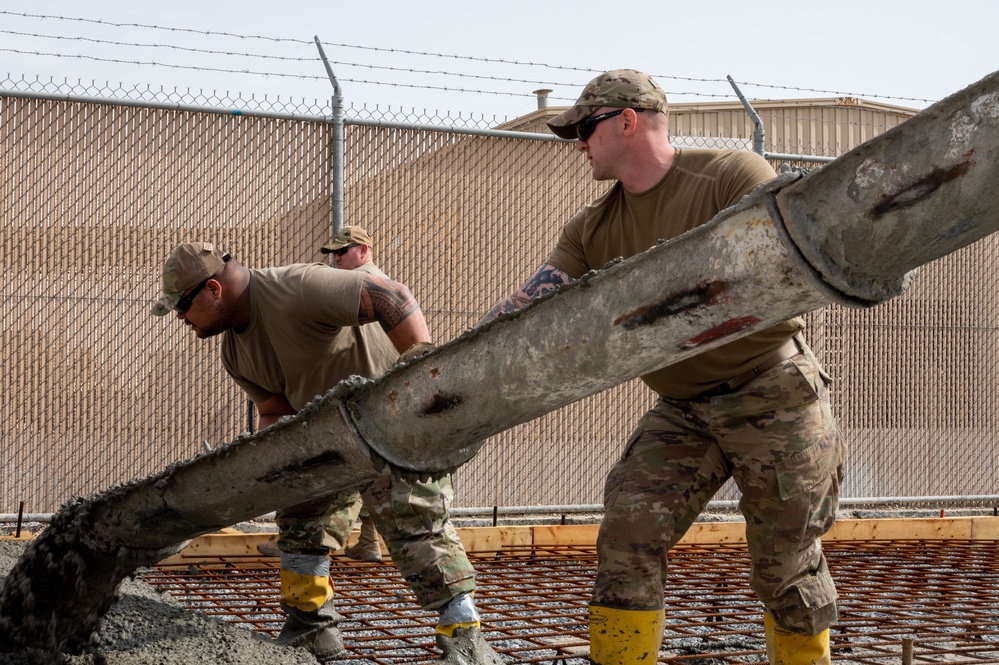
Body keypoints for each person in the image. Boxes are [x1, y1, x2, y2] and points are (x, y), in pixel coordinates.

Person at [480, 70, 845, 665]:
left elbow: (769, 274)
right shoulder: (593, 227)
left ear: (626, 121)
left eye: (584, 129)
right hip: (684, 412)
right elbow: (532, 302)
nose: (578, 144)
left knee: (786, 566)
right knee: (627, 538)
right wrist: (448, 359)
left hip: (771, 395)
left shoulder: (732, 176)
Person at [152, 241, 502, 664]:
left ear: (212, 289)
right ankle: (310, 627)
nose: (181, 320)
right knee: (300, 517)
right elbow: (275, 411)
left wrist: (421, 376)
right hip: (326, 437)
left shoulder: (298, 287)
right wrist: (270, 471)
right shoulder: (234, 352)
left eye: (181, 307)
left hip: (389, 425)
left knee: (414, 522)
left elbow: (392, 297)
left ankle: (464, 636)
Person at [318, 224, 389, 563]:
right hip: (381, 390)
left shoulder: (355, 284)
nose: (336, 259)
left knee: (345, 467)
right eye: (333, 253)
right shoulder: (381, 282)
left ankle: (315, 545)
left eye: (342, 252)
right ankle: (368, 542)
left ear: (363, 250)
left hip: (361, 390)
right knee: (373, 471)